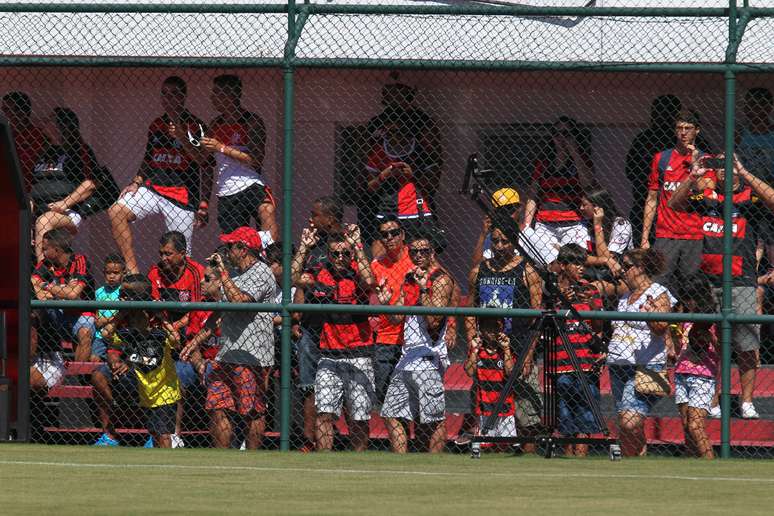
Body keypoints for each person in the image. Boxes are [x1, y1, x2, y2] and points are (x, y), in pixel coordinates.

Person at [669, 154, 774, 419]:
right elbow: (674, 204)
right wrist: (692, 175)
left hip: (741, 281)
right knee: (710, 344)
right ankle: (712, 401)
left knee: (747, 344)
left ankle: (747, 402)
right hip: (708, 282)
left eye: (729, 168)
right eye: (720, 168)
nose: (724, 172)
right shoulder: (707, 197)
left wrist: (744, 170)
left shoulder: (749, 198)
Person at [109, 76, 209, 273]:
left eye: (173, 94)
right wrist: (136, 182)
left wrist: (204, 203)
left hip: (182, 195)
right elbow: (148, 159)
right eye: (164, 94)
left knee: (181, 257)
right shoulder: (156, 124)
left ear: (183, 97)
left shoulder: (195, 125)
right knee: (116, 210)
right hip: (154, 188)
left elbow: (203, 162)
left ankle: (181, 297)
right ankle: (133, 271)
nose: (168, 98)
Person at [462, 212, 543, 449]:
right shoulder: (480, 271)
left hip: (517, 346)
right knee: (488, 410)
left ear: (514, 241)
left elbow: (536, 318)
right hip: (487, 352)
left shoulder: (528, 272)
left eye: (504, 241)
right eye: (495, 241)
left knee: (527, 415)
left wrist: (528, 354)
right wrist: (471, 340)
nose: (499, 246)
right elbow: (469, 310)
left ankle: (528, 459)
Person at [293, 227, 374, 451]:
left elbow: (369, 281)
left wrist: (357, 246)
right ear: (328, 255)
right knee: (324, 413)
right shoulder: (320, 272)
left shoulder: (359, 271)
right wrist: (303, 247)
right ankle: (324, 459)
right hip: (329, 354)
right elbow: (293, 278)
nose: (340, 259)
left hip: (359, 353)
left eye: (345, 254)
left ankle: (358, 462)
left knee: (358, 416)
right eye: (335, 254)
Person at [377, 233, 455, 454]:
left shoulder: (440, 279)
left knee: (433, 419)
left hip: (428, 357)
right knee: (392, 412)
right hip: (407, 356)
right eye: (414, 252)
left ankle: (434, 463)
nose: (418, 255)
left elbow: (434, 320)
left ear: (432, 253)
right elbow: (397, 317)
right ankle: (402, 463)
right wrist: (385, 304)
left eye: (424, 251)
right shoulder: (409, 277)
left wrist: (423, 289)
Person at [206, 226, 277, 449]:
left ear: (243, 248)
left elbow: (239, 301)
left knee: (251, 411)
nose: (226, 252)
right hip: (227, 351)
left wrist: (223, 275)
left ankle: (252, 459)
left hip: (253, 355)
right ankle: (222, 459)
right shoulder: (234, 272)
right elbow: (220, 306)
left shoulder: (262, 272)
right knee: (217, 406)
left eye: (230, 246)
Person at [92, 274, 182, 448]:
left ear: (137, 299)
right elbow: (106, 334)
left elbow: (175, 341)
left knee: (163, 436)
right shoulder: (125, 322)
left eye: (125, 294)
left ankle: (169, 469)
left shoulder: (157, 322)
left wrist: (161, 317)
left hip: (163, 388)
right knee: (155, 434)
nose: (120, 296)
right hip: (143, 388)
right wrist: (120, 314)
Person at [606, 248, 676, 457]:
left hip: (645, 365)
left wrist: (650, 315)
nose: (623, 270)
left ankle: (633, 456)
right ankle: (636, 461)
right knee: (627, 422)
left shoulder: (658, 293)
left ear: (641, 268)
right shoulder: (625, 295)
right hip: (619, 363)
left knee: (629, 422)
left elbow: (661, 327)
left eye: (627, 266)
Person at [289, 196, 345, 451]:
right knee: (309, 384)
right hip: (311, 326)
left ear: (330, 219)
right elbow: (297, 280)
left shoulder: (345, 244)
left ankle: (339, 436)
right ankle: (310, 440)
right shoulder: (313, 245)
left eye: (315, 215)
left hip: (340, 326)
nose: (311, 219)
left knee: (342, 382)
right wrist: (296, 316)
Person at [640, 110, 715, 289]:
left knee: (691, 288)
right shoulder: (662, 158)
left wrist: (695, 163)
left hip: (695, 233)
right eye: (679, 127)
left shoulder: (706, 160)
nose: (683, 132)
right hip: (666, 233)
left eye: (688, 128)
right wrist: (645, 237)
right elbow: (652, 198)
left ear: (697, 130)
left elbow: (707, 190)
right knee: (658, 285)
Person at [199, 74, 278, 243]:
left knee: (266, 211)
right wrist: (181, 136)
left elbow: (255, 159)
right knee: (235, 243)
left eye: (216, 93)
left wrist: (221, 147)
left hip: (250, 184)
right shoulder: (215, 124)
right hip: (226, 191)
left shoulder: (251, 121)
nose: (212, 98)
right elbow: (202, 160)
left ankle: (271, 259)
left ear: (230, 95)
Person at [147, 230, 205, 447]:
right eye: (161, 253)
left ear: (182, 253)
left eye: (169, 254)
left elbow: (198, 310)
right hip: (162, 330)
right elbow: (154, 307)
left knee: (178, 375)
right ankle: (155, 433)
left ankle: (174, 435)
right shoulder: (155, 272)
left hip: (189, 330)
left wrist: (177, 326)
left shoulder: (196, 272)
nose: (164, 258)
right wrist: (167, 327)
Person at [551, 244, 605, 457]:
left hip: (584, 360)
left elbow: (599, 327)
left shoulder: (590, 290)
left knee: (585, 413)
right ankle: (567, 455)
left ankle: (581, 457)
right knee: (564, 415)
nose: (580, 268)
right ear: (563, 266)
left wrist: (591, 304)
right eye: (575, 263)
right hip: (560, 361)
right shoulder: (553, 291)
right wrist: (560, 298)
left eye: (582, 263)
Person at [365, 107, 441, 257]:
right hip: (387, 209)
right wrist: (384, 175)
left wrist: (413, 175)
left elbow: (433, 185)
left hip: (414, 210)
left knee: (418, 254)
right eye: (389, 132)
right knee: (382, 254)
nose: (394, 136)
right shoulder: (379, 151)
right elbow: (369, 187)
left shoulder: (422, 150)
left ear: (408, 131)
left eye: (398, 131)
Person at [30, 108, 98, 263]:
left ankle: (41, 275)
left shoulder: (79, 150)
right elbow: (32, 186)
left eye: (50, 121)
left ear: (62, 126)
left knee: (44, 221)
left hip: (67, 211)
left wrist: (64, 203)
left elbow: (91, 183)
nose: (45, 124)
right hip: (39, 208)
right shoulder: (42, 151)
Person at [523, 116, 595, 258]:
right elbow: (533, 196)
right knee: (545, 261)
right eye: (556, 133)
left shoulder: (582, 161)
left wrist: (573, 151)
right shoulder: (544, 163)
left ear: (574, 136)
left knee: (575, 261)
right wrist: (526, 225)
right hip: (545, 223)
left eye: (566, 134)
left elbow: (588, 183)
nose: (560, 138)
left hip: (574, 222)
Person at [30, 228, 95, 366]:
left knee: (84, 333)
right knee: (35, 316)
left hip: (81, 312)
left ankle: (78, 376)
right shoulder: (46, 264)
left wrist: (46, 286)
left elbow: (73, 294)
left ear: (57, 250)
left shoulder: (79, 260)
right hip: (57, 311)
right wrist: (63, 290)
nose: (42, 252)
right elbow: (33, 285)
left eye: (45, 249)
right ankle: (37, 364)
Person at [625, 95, 682, 245]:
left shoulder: (684, 143)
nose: (661, 117)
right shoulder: (643, 139)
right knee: (642, 246)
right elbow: (630, 170)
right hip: (644, 201)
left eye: (666, 112)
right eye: (657, 112)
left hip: (677, 207)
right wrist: (651, 183)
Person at [672, 275, 719, 459]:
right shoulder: (683, 316)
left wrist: (711, 338)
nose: (688, 303)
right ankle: (692, 462)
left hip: (703, 375)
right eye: (685, 298)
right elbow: (678, 347)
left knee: (695, 425)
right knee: (686, 424)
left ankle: (710, 462)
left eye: (691, 298)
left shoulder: (711, 319)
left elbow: (722, 351)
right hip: (682, 371)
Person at [370, 215, 414, 403]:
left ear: (402, 234)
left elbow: (451, 286)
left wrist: (451, 325)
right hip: (386, 338)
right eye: (384, 235)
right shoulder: (376, 265)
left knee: (412, 399)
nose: (389, 238)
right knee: (387, 398)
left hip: (412, 338)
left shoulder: (416, 258)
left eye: (394, 233)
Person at [472, 188, 559, 269]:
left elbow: (554, 265)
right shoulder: (493, 237)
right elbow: (476, 267)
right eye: (501, 210)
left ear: (520, 207)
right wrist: (483, 233)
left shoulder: (528, 235)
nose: (506, 213)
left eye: (509, 208)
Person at [463, 316, 517, 448]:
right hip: (484, 408)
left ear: (501, 328)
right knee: (484, 446)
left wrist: (506, 349)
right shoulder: (477, 350)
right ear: (481, 329)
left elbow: (511, 372)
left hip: (505, 408)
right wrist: (474, 350)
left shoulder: (506, 349)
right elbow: (469, 372)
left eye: (496, 326)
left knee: (507, 446)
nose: (492, 330)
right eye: (488, 326)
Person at [737, 87, 774, 266]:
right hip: (746, 199)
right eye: (750, 105)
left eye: (760, 105)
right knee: (750, 244)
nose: (754, 110)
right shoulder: (739, 133)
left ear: (769, 108)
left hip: (770, 198)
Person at [579, 187, 633, 281]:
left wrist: (597, 225)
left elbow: (607, 258)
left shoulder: (621, 224)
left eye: (584, 205)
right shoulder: (583, 223)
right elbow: (577, 257)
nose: (581, 208)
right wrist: (603, 260)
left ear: (597, 207)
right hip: (593, 269)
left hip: (619, 274)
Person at [1, 90, 47, 186]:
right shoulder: (5, 134)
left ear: (21, 113)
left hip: (25, 189)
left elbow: (24, 165)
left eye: (6, 110)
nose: (2, 114)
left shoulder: (36, 135)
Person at [92, 254, 126, 362]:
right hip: (100, 336)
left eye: (116, 273)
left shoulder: (124, 291)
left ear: (123, 273)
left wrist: (105, 320)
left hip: (118, 335)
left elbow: (123, 313)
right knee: (94, 359)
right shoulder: (99, 292)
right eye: (108, 273)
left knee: (117, 361)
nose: (111, 276)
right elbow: (96, 319)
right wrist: (99, 321)